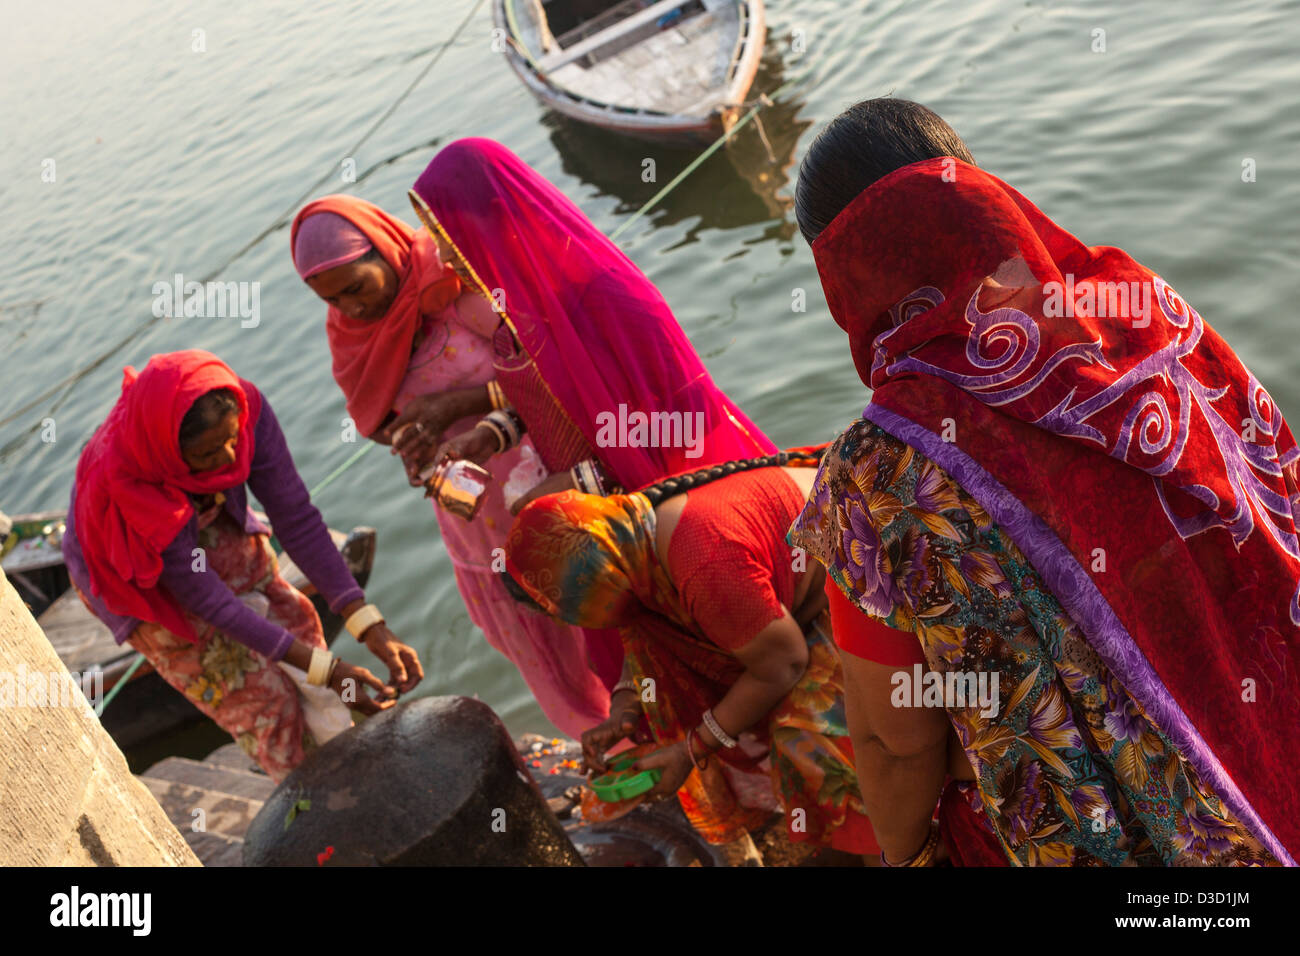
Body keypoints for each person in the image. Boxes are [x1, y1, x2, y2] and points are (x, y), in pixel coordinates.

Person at [789, 97, 1300, 866]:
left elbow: (894, 743)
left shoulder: (877, 469)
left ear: (841, 272)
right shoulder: (1143, 307)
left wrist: (907, 858)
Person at [291, 194, 622, 737]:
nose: (349, 308)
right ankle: (604, 741)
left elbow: (551, 367)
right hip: (477, 511)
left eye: (356, 287)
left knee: (605, 608)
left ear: (387, 249)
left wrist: (460, 406)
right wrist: (411, 440)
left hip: (555, 474)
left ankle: (656, 723)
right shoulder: (350, 335)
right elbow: (374, 412)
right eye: (330, 298)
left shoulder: (454, 281)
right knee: (543, 648)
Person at [62, 350, 422, 781]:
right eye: (210, 451)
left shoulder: (244, 409)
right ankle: (312, 803)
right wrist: (326, 671)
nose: (231, 455)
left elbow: (295, 517)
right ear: (172, 454)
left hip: (200, 517)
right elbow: (212, 605)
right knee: (263, 705)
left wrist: (366, 622)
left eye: (232, 438)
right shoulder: (136, 484)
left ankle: (349, 759)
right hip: (140, 570)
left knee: (299, 631)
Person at [505, 450, 878, 862]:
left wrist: (691, 749)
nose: (566, 622)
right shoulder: (626, 539)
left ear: (594, 581)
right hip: (794, 608)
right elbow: (644, 635)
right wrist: (625, 707)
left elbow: (784, 664)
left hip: (865, 571)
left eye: (563, 611)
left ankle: (889, 842)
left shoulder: (701, 562)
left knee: (801, 736)